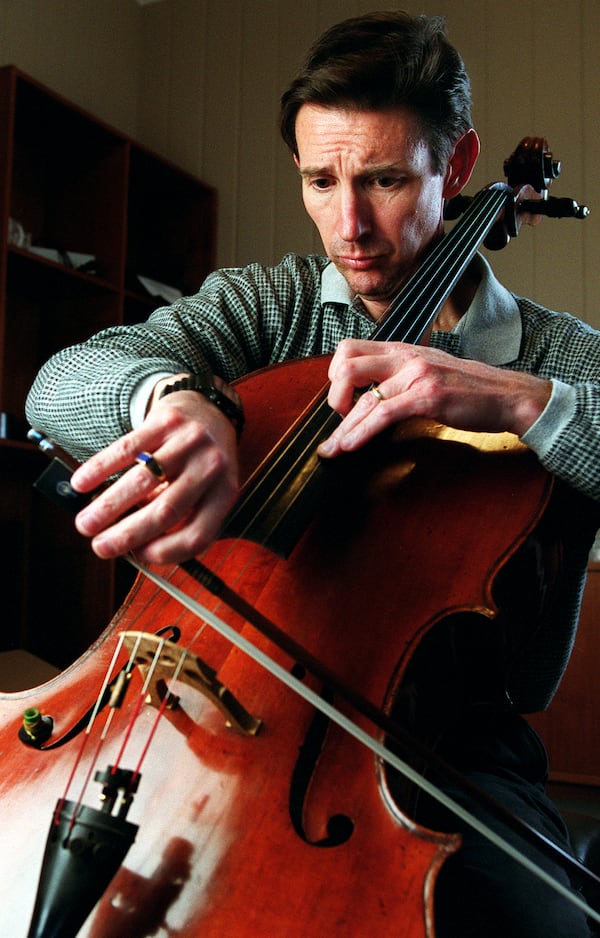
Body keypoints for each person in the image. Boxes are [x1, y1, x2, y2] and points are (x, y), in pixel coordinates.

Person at [25, 10, 600, 937]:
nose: (349, 225)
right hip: (192, 685)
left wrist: (525, 404)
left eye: (381, 180)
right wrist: (175, 401)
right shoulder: (271, 304)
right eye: (319, 180)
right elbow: (62, 380)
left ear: (454, 169)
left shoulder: (557, 354)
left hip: (442, 746)